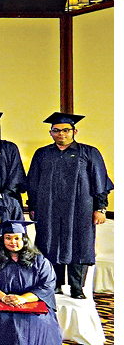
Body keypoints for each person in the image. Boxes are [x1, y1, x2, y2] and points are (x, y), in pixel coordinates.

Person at [26, 112, 113, 300]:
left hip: (80, 208)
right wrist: (32, 206)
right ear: (51, 132)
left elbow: (99, 181)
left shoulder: (89, 152)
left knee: (80, 244)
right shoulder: (42, 154)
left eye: (66, 130)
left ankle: (77, 288)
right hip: (49, 208)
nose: (61, 134)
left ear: (74, 131)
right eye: (56, 130)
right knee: (49, 243)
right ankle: (53, 284)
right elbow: (33, 182)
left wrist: (100, 208)